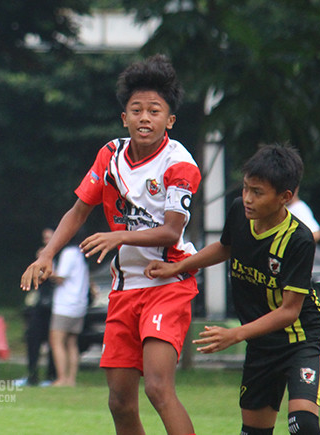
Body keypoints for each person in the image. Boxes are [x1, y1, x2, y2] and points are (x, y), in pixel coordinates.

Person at [21, 54, 201, 435]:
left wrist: (119, 235)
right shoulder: (110, 155)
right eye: (136, 110)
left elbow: (171, 231)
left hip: (167, 284)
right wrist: (47, 254)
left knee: (157, 387)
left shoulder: (179, 164)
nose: (144, 118)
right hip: (124, 290)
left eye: (155, 111)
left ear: (169, 121)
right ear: (124, 118)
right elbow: (78, 210)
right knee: (119, 401)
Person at [146, 144, 320, 435]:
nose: (247, 198)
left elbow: (289, 311)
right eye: (246, 188)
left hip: (300, 340)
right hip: (261, 344)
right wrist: (177, 267)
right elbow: (225, 247)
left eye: (257, 192)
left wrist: (235, 334)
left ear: (286, 197)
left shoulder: (299, 240)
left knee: (302, 426)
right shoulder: (239, 212)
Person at [17, 228, 57, 387]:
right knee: (33, 339)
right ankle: (32, 374)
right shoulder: (41, 254)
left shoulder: (60, 255)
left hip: (55, 305)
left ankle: (51, 375)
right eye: (45, 237)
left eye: (49, 237)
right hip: (39, 304)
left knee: (53, 343)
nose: (46, 240)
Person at [48, 236, 90, 387]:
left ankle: (61, 378)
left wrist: (44, 265)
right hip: (79, 305)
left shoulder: (69, 253)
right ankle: (71, 379)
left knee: (57, 341)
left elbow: (60, 277)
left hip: (65, 304)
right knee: (71, 342)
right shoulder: (80, 253)